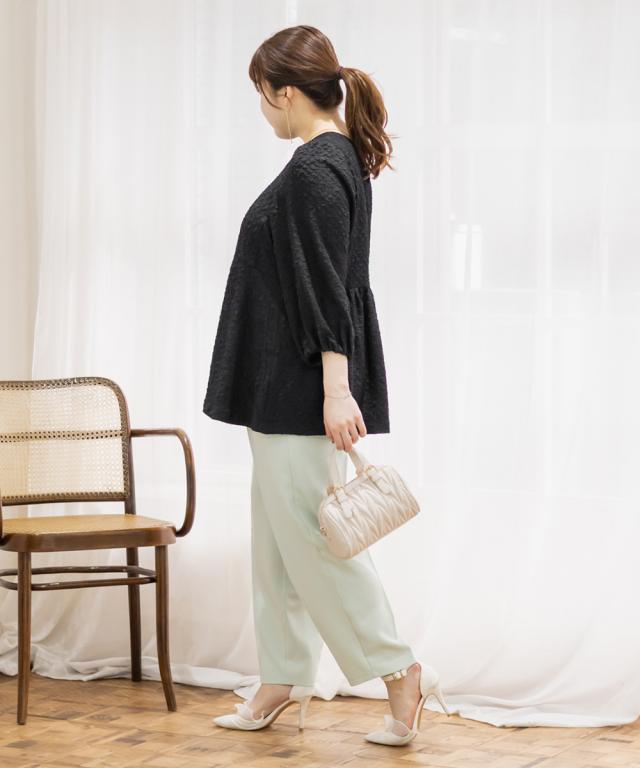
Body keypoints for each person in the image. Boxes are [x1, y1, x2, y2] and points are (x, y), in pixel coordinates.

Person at [202, 24, 449, 746]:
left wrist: (336, 391)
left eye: (261, 95)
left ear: (285, 92)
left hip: (299, 388)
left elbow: (327, 289)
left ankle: (400, 671)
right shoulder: (334, 159)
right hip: (280, 387)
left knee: (314, 542)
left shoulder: (317, 167)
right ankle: (281, 677)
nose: (261, 111)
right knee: (278, 544)